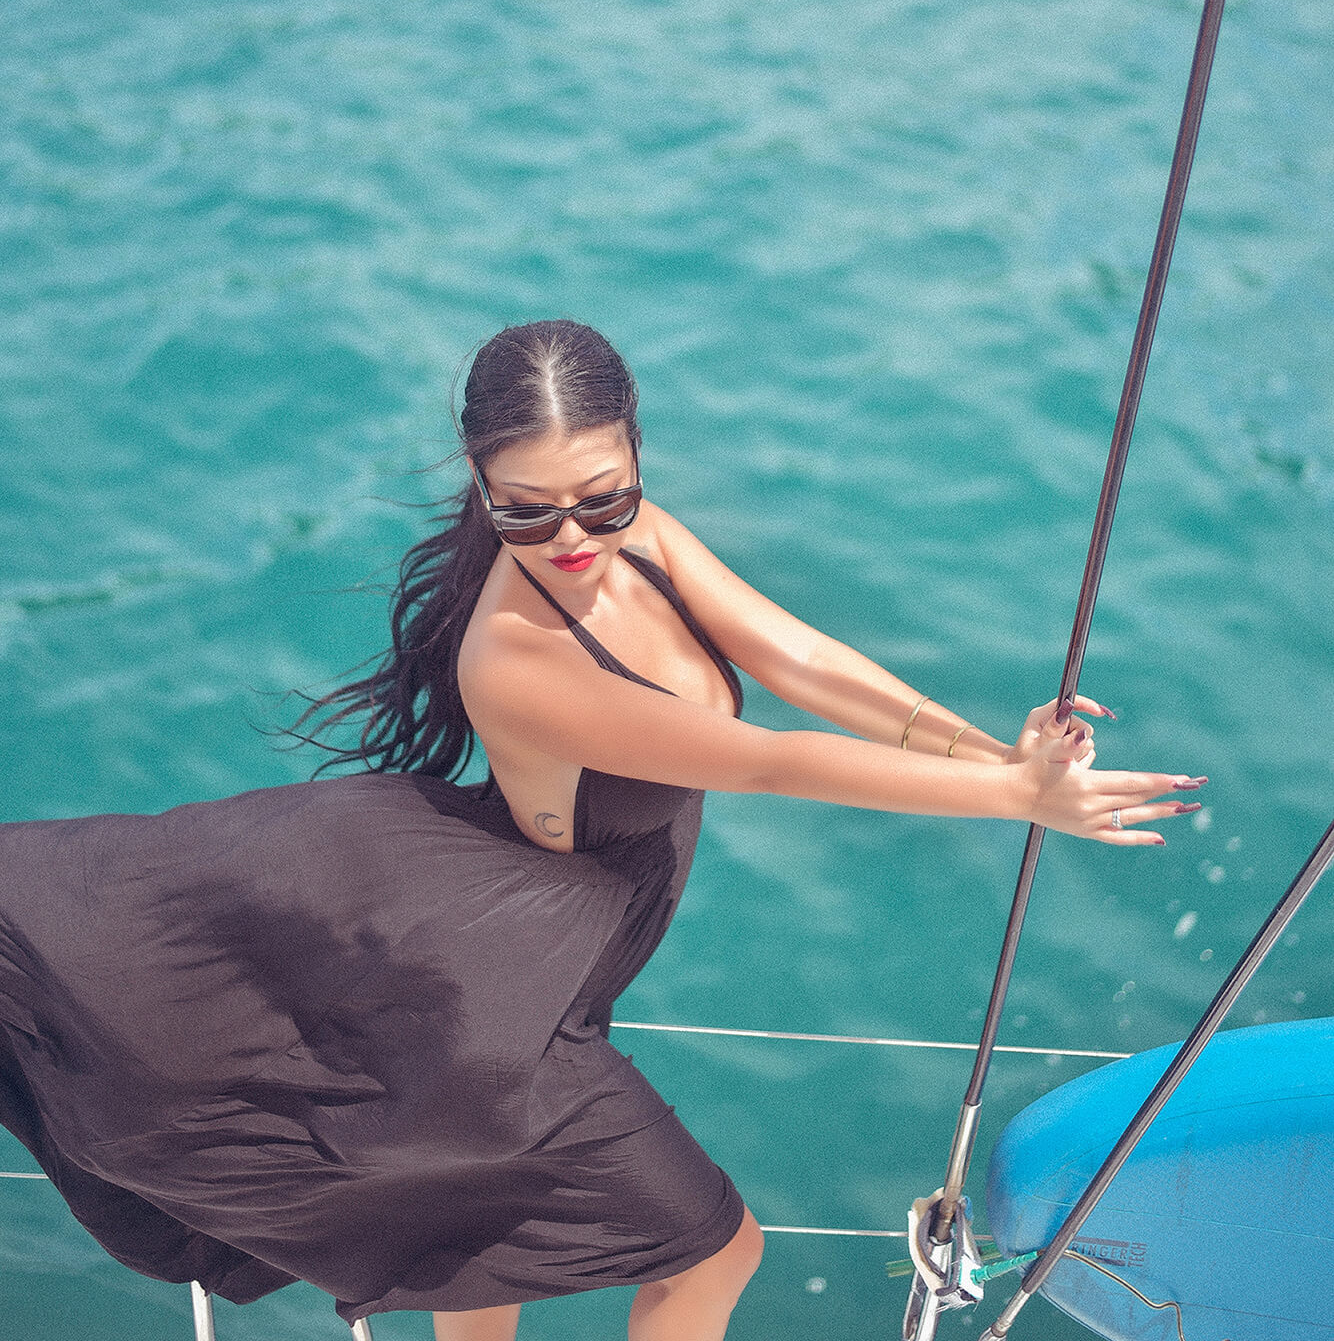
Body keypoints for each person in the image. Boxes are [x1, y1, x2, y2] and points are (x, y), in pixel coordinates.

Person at [0, 319, 1201, 1340]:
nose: (572, 539)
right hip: (489, 970)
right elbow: (764, 759)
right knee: (710, 1246)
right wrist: (1013, 802)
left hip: (544, 935)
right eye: (524, 513)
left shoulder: (644, 540)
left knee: (479, 1241)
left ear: (633, 460)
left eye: (599, 498)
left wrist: (996, 750)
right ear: (481, 487)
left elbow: (797, 660)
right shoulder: (518, 655)